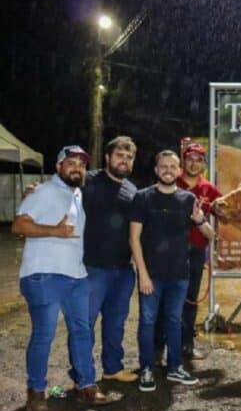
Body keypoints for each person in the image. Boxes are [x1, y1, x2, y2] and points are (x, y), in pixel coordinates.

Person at [12, 145, 113, 411]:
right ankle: (36, 393)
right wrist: (54, 230)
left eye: (81, 163)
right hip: (44, 274)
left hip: (76, 276)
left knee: (81, 331)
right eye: (70, 162)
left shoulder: (78, 194)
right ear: (58, 167)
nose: (77, 167)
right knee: (44, 334)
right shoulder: (44, 192)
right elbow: (19, 225)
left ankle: (86, 386)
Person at [129, 150, 213, 392]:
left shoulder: (188, 200)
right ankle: (147, 369)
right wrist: (142, 274)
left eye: (172, 166)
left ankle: (175, 367)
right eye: (163, 166)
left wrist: (199, 220)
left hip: (179, 275)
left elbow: (210, 235)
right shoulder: (143, 198)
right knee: (147, 321)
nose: (168, 170)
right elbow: (134, 238)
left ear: (179, 171)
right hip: (151, 276)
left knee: (174, 321)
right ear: (156, 170)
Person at [154, 142, 220, 362]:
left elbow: (224, 212)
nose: (194, 163)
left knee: (190, 300)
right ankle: (158, 348)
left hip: (196, 251)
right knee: (165, 299)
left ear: (204, 163)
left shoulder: (209, 189)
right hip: (170, 251)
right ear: (184, 161)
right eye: (190, 158)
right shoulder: (172, 181)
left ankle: (186, 346)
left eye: (199, 159)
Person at [84, 136, 139, 382]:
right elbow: (61, 190)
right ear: (107, 157)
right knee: (85, 325)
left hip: (123, 270)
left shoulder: (132, 190)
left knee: (116, 323)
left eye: (129, 157)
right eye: (119, 155)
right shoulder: (88, 180)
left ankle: (112, 368)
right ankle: (82, 375)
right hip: (91, 267)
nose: (124, 161)